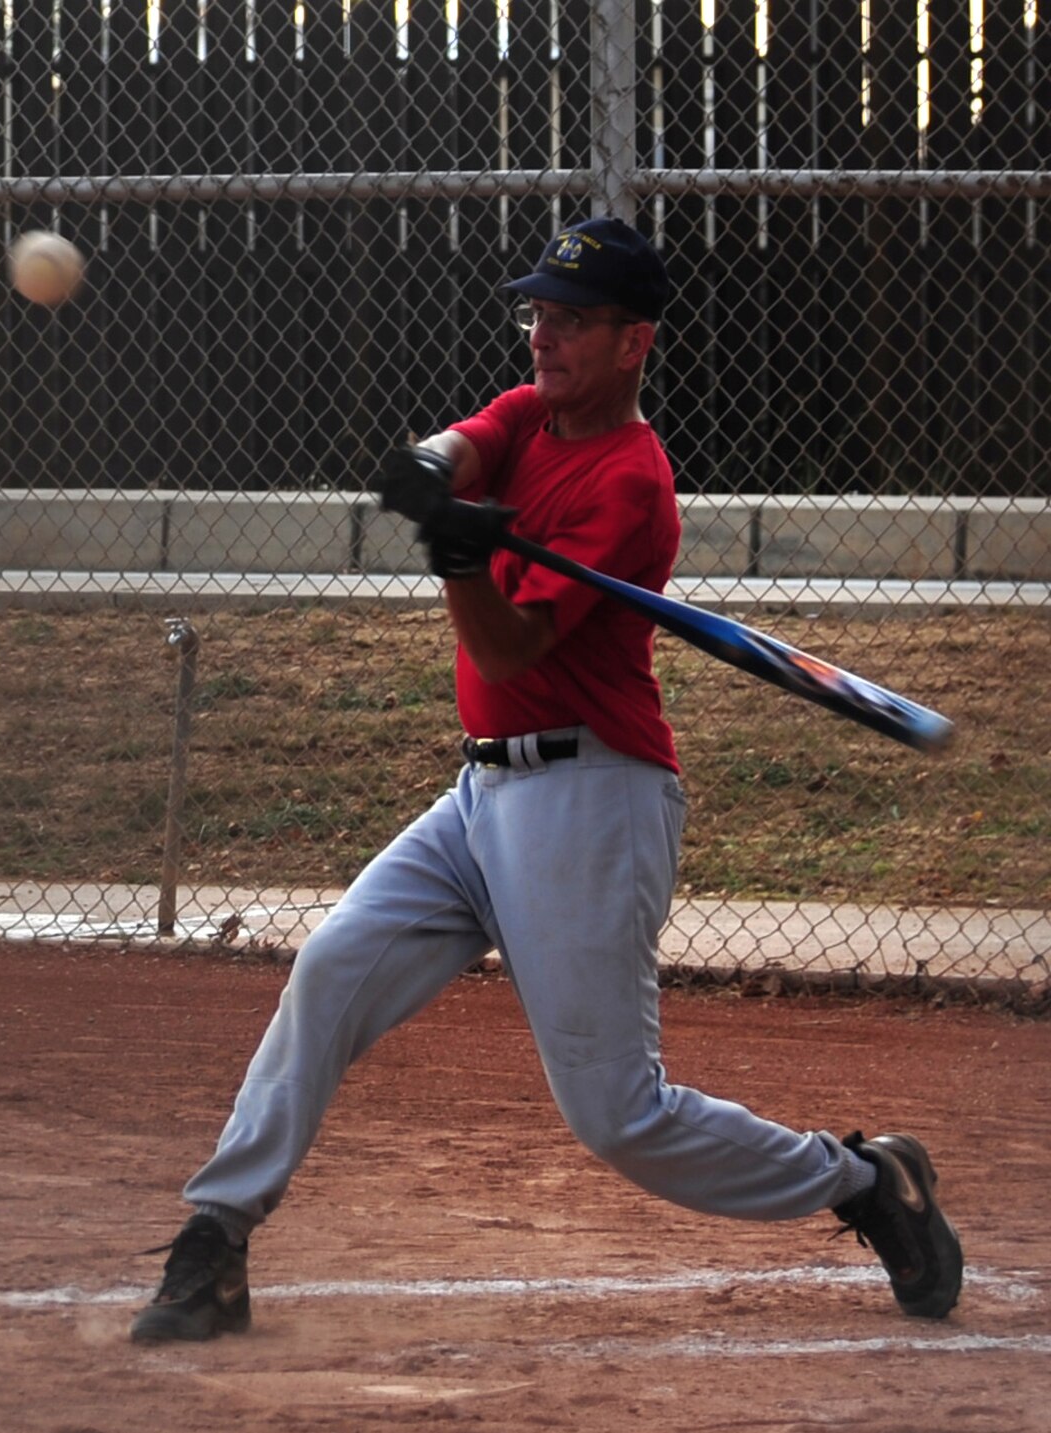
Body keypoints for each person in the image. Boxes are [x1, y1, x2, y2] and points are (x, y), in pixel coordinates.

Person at [129, 215, 963, 1345]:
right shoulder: (532, 415)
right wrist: (429, 472)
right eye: (538, 314)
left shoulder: (628, 485)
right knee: (329, 967)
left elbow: (511, 646)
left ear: (634, 342)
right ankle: (215, 1239)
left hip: (593, 800)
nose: (544, 337)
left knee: (618, 1115)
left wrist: (457, 558)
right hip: (478, 800)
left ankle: (862, 1182)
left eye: (572, 321)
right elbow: (468, 440)